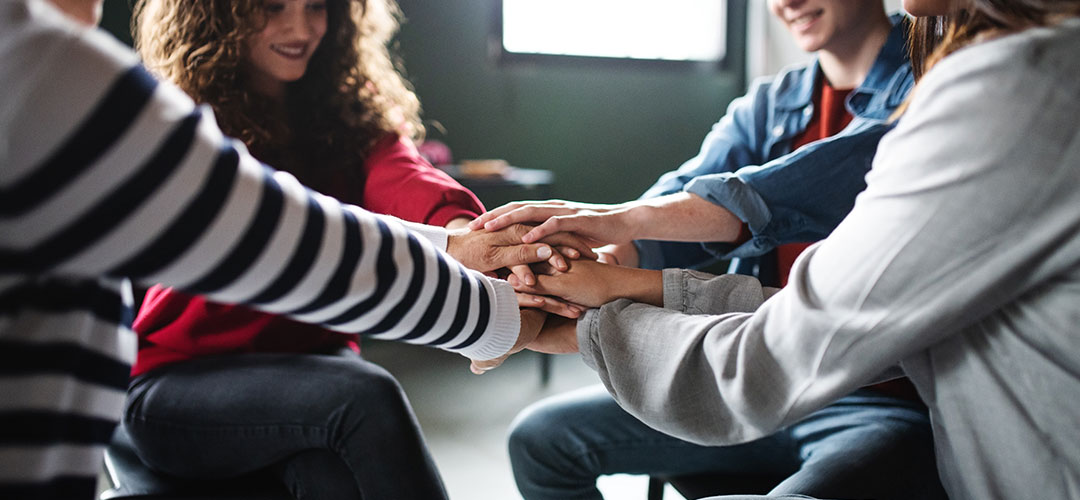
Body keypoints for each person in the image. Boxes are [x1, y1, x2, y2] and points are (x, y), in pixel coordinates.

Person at [485, 0, 1080, 498]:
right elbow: (673, 212)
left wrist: (595, 305)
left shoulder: (962, 82)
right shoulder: (773, 101)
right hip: (795, 352)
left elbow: (805, 209)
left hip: (871, 393)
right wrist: (580, 263)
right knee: (541, 438)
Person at [0, 0, 581, 498]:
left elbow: (405, 178)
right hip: (179, 384)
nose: (301, 28)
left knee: (331, 469)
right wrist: (495, 313)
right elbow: (275, 240)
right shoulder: (173, 111)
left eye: (317, 7)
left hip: (308, 376)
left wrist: (487, 246)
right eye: (272, 6)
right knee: (364, 394)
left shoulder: (347, 106)